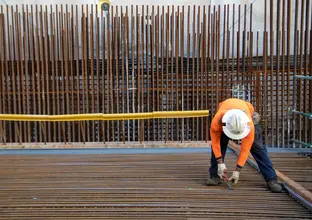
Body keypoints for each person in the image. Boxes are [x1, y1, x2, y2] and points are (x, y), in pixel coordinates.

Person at [206, 98, 282, 193]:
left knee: (258, 148)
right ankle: (214, 175)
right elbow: (215, 144)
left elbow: (245, 149)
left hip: (248, 115)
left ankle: (271, 179)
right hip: (226, 116)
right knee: (219, 144)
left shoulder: (249, 126)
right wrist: (220, 163)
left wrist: (237, 170)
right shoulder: (217, 122)